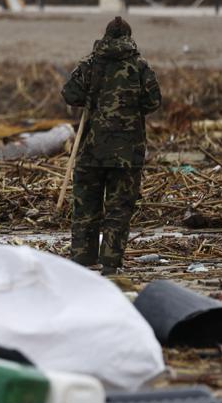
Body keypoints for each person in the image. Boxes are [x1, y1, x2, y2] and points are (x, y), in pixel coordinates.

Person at [61, 16, 161, 275]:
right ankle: (110, 264)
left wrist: (91, 96)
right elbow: (153, 103)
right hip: (127, 155)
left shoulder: (90, 64)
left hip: (91, 152)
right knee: (118, 210)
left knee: (86, 210)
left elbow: (70, 94)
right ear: (129, 37)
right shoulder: (139, 67)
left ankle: (82, 262)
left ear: (105, 36)